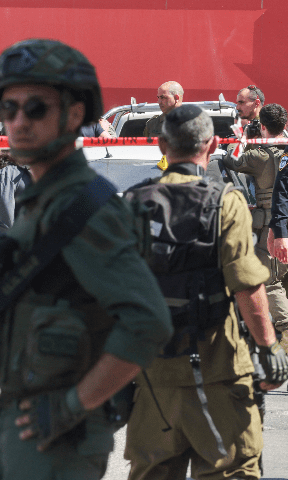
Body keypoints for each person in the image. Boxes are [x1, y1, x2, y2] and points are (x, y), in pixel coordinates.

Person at [0, 38, 173, 480]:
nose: (19, 122)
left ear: (75, 115)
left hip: (60, 438)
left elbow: (148, 322)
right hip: (19, 415)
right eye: (9, 109)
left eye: (37, 108)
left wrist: (69, 408)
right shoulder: (38, 202)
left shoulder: (84, 208)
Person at [124, 105, 288, 479]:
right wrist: (268, 347)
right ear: (214, 144)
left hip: (154, 381)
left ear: (162, 145)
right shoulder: (225, 202)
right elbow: (248, 286)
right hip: (219, 374)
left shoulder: (133, 203)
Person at [223, 103, 288, 335]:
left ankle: (283, 327)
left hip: (274, 224)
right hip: (281, 218)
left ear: (262, 126)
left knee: (270, 279)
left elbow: (232, 160)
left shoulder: (261, 154)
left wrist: (241, 139)